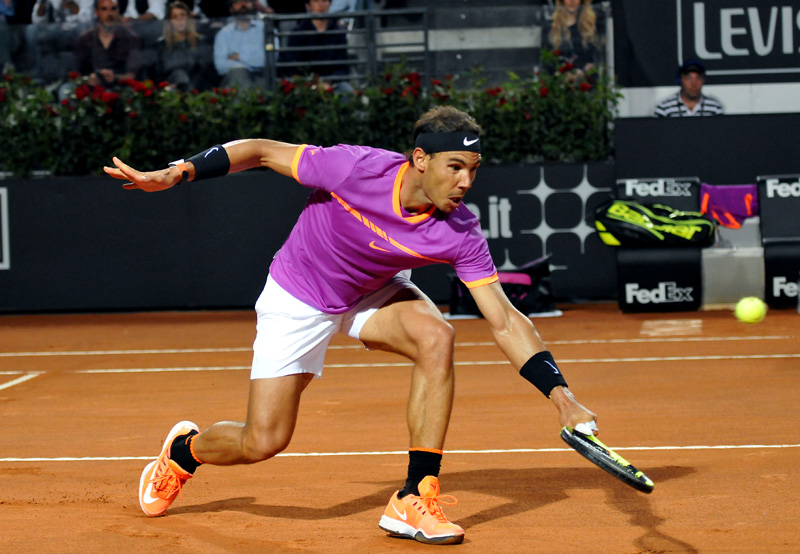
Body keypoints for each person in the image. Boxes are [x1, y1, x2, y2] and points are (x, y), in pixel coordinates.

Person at [103, 105, 598, 546]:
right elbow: (260, 151)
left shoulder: (460, 230)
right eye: (455, 167)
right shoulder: (355, 167)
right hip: (299, 295)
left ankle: (415, 495)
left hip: (371, 292)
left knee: (436, 335)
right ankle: (184, 452)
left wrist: (563, 398)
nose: (466, 181)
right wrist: (179, 172)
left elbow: (505, 320)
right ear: (420, 159)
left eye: (473, 169)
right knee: (263, 441)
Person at [281, 0, 351, 87]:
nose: (321, 5)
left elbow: (342, 66)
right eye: (316, 1)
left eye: (324, 1)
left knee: (345, 89)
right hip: (304, 85)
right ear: (308, 5)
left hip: (332, 84)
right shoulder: (297, 34)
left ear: (330, 4)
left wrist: (329, 82)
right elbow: (292, 67)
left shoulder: (338, 33)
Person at [73, 0, 141, 86]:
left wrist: (115, 78)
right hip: (91, 88)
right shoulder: (84, 40)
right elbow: (75, 73)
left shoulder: (130, 39)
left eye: (113, 9)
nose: (109, 14)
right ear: (96, 12)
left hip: (121, 88)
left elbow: (133, 75)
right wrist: (88, 80)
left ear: (118, 11)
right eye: (104, 9)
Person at [156, 0, 211, 91]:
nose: (179, 20)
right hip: (170, 91)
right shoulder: (161, 45)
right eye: (174, 17)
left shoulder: (200, 41)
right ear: (170, 22)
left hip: (196, 89)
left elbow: (204, 71)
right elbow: (158, 74)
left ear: (188, 18)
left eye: (182, 15)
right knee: (179, 74)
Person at [213, 0, 266, 88]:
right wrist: (248, 64)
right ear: (231, 9)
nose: (243, 4)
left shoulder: (265, 29)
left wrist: (239, 57)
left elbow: (268, 60)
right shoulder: (224, 33)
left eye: (247, 1)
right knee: (239, 74)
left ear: (254, 5)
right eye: (237, 2)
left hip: (262, 76)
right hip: (234, 79)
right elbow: (220, 66)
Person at [545, 0, 601, 75]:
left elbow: (598, 58)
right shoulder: (551, 28)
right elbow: (546, 62)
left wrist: (587, 70)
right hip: (559, 79)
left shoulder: (591, 27)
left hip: (587, 78)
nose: (572, 1)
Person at [654, 60, 724, 118]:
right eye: (688, 78)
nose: (694, 84)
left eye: (698, 78)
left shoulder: (714, 108)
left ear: (703, 80)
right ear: (680, 80)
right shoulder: (665, 108)